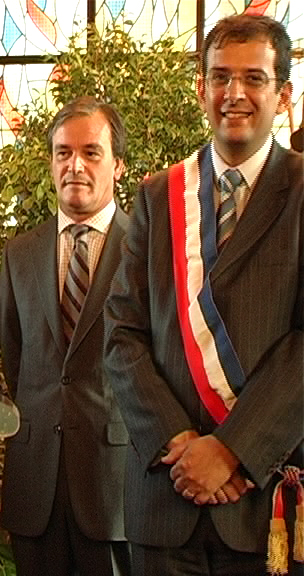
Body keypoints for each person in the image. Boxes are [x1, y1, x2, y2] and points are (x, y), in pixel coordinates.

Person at [104, 14, 303, 576]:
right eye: (220, 77)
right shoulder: (158, 196)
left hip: (263, 500)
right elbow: (122, 333)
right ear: (201, 89)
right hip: (166, 497)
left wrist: (232, 449)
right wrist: (179, 441)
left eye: (253, 78)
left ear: (283, 95)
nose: (233, 93)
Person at [0, 96, 131, 576]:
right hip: (35, 485)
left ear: (118, 165)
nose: (75, 165)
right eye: (63, 153)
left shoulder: (146, 249)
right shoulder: (19, 254)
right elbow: (15, 360)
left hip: (114, 486)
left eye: (91, 152)